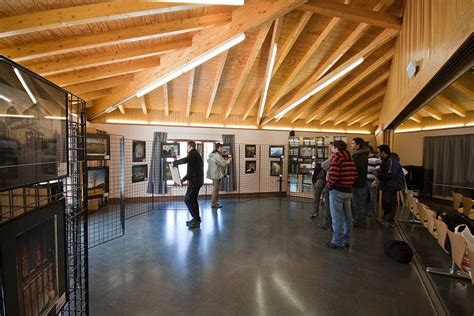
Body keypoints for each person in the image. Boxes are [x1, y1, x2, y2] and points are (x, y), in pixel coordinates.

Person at [325, 140, 357, 249]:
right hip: (348, 191)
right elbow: (355, 174)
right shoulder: (350, 158)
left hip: (337, 191)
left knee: (337, 218)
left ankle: (337, 242)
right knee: (348, 217)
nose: (331, 149)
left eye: (332, 147)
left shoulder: (336, 158)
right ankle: (346, 239)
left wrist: (329, 186)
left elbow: (333, 175)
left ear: (336, 148)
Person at [173, 141, 204, 228]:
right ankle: (196, 219)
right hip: (197, 181)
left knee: (187, 200)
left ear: (190, 146)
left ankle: (196, 218)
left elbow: (185, 160)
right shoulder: (195, 155)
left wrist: (175, 162)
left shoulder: (193, 154)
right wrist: (183, 179)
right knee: (193, 200)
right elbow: (191, 172)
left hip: (195, 182)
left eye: (187, 146)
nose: (186, 148)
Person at [374, 144, 404, 228]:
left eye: (379, 152)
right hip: (387, 185)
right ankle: (385, 219)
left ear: (383, 152)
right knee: (385, 202)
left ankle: (389, 221)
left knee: (389, 203)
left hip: (392, 185)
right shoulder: (385, 160)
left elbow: (390, 174)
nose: (377, 154)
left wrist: (378, 175)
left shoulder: (392, 161)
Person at [350, 138, 369, 228]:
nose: (351, 145)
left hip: (358, 183)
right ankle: (359, 219)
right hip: (360, 182)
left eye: (353, 143)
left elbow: (358, 170)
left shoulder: (359, 156)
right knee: (358, 203)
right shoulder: (362, 155)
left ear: (358, 145)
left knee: (358, 203)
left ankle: (359, 220)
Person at [207, 143, 232, 208]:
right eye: (221, 148)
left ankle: (215, 203)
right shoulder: (217, 155)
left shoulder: (213, 154)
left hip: (214, 174)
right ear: (218, 148)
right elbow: (224, 163)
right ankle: (214, 204)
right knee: (216, 189)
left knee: (216, 188)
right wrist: (229, 159)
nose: (222, 149)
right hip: (217, 174)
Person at [317, 142, 333, 230]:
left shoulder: (334, 156)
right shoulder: (348, 157)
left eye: (331, 147)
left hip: (330, 183)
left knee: (327, 204)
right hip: (342, 187)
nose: (330, 149)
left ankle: (327, 223)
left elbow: (324, 165)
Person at [366, 146, 381, 217]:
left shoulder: (376, 159)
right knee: (364, 197)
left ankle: (372, 212)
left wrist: (376, 180)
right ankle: (365, 212)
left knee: (373, 197)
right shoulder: (365, 159)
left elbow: (378, 171)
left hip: (372, 180)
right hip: (364, 180)